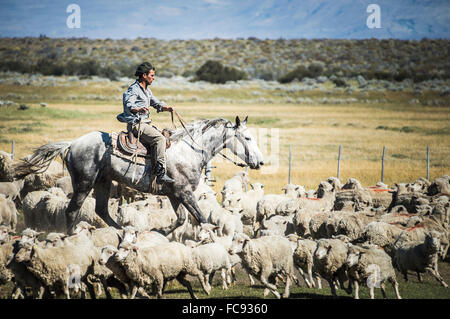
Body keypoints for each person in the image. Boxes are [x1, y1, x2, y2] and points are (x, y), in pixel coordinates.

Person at [117, 62, 175, 184]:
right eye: (152, 75)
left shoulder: (146, 90)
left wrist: (167, 108)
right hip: (138, 125)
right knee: (160, 139)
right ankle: (160, 173)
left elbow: (156, 103)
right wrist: (137, 109)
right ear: (144, 75)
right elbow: (129, 104)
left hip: (145, 123)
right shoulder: (134, 89)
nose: (153, 78)